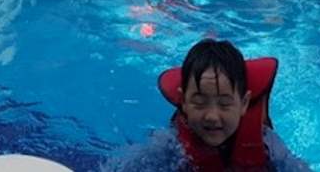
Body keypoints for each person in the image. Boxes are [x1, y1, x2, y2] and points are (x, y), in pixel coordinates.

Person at [105, 39, 309, 171]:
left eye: (224, 104)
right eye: (200, 102)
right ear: (184, 101)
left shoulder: (267, 143)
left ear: (244, 103)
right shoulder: (171, 144)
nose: (212, 116)